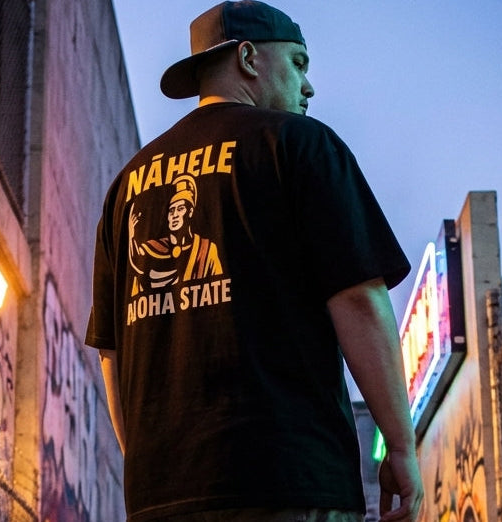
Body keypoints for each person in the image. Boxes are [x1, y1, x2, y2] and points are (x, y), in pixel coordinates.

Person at [85, 2, 424, 521]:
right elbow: (359, 298)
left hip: (162, 497)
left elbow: (112, 353)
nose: (308, 86)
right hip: (291, 482)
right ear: (248, 58)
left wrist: (153, 471)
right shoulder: (302, 144)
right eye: (298, 63)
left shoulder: (126, 186)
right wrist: (400, 445)